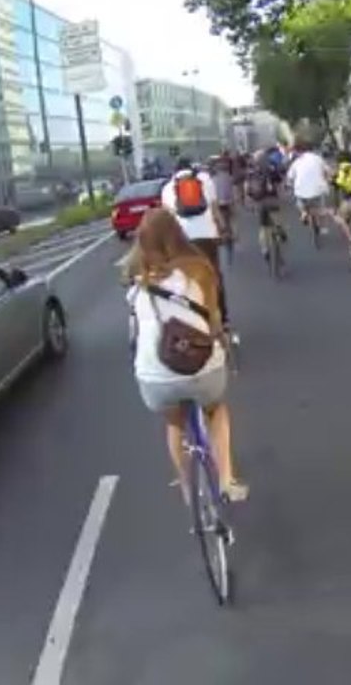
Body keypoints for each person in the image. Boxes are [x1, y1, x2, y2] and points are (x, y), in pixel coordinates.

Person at [125, 209, 248, 503]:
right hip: (204, 369)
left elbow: (134, 334)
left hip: (156, 378)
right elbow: (215, 323)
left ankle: (186, 488)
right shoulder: (200, 272)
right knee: (216, 411)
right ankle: (227, 481)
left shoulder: (137, 288)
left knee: (174, 422)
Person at [162, 157, 231, 329]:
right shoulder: (205, 180)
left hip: (183, 239)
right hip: (207, 235)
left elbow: (168, 219)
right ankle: (223, 319)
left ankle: (192, 319)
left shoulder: (167, 188)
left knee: (184, 278)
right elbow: (214, 208)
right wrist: (223, 228)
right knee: (214, 275)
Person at [285, 139, 332, 226]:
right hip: (318, 190)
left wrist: (289, 184)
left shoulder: (296, 162)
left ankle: (303, 212)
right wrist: (328, 180)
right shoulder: (318, 158)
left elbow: (289, 177)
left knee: (299, 202)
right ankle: (322, 224)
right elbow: (329, 172)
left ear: (298, 151)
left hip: (301, 191)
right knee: (320, 206)